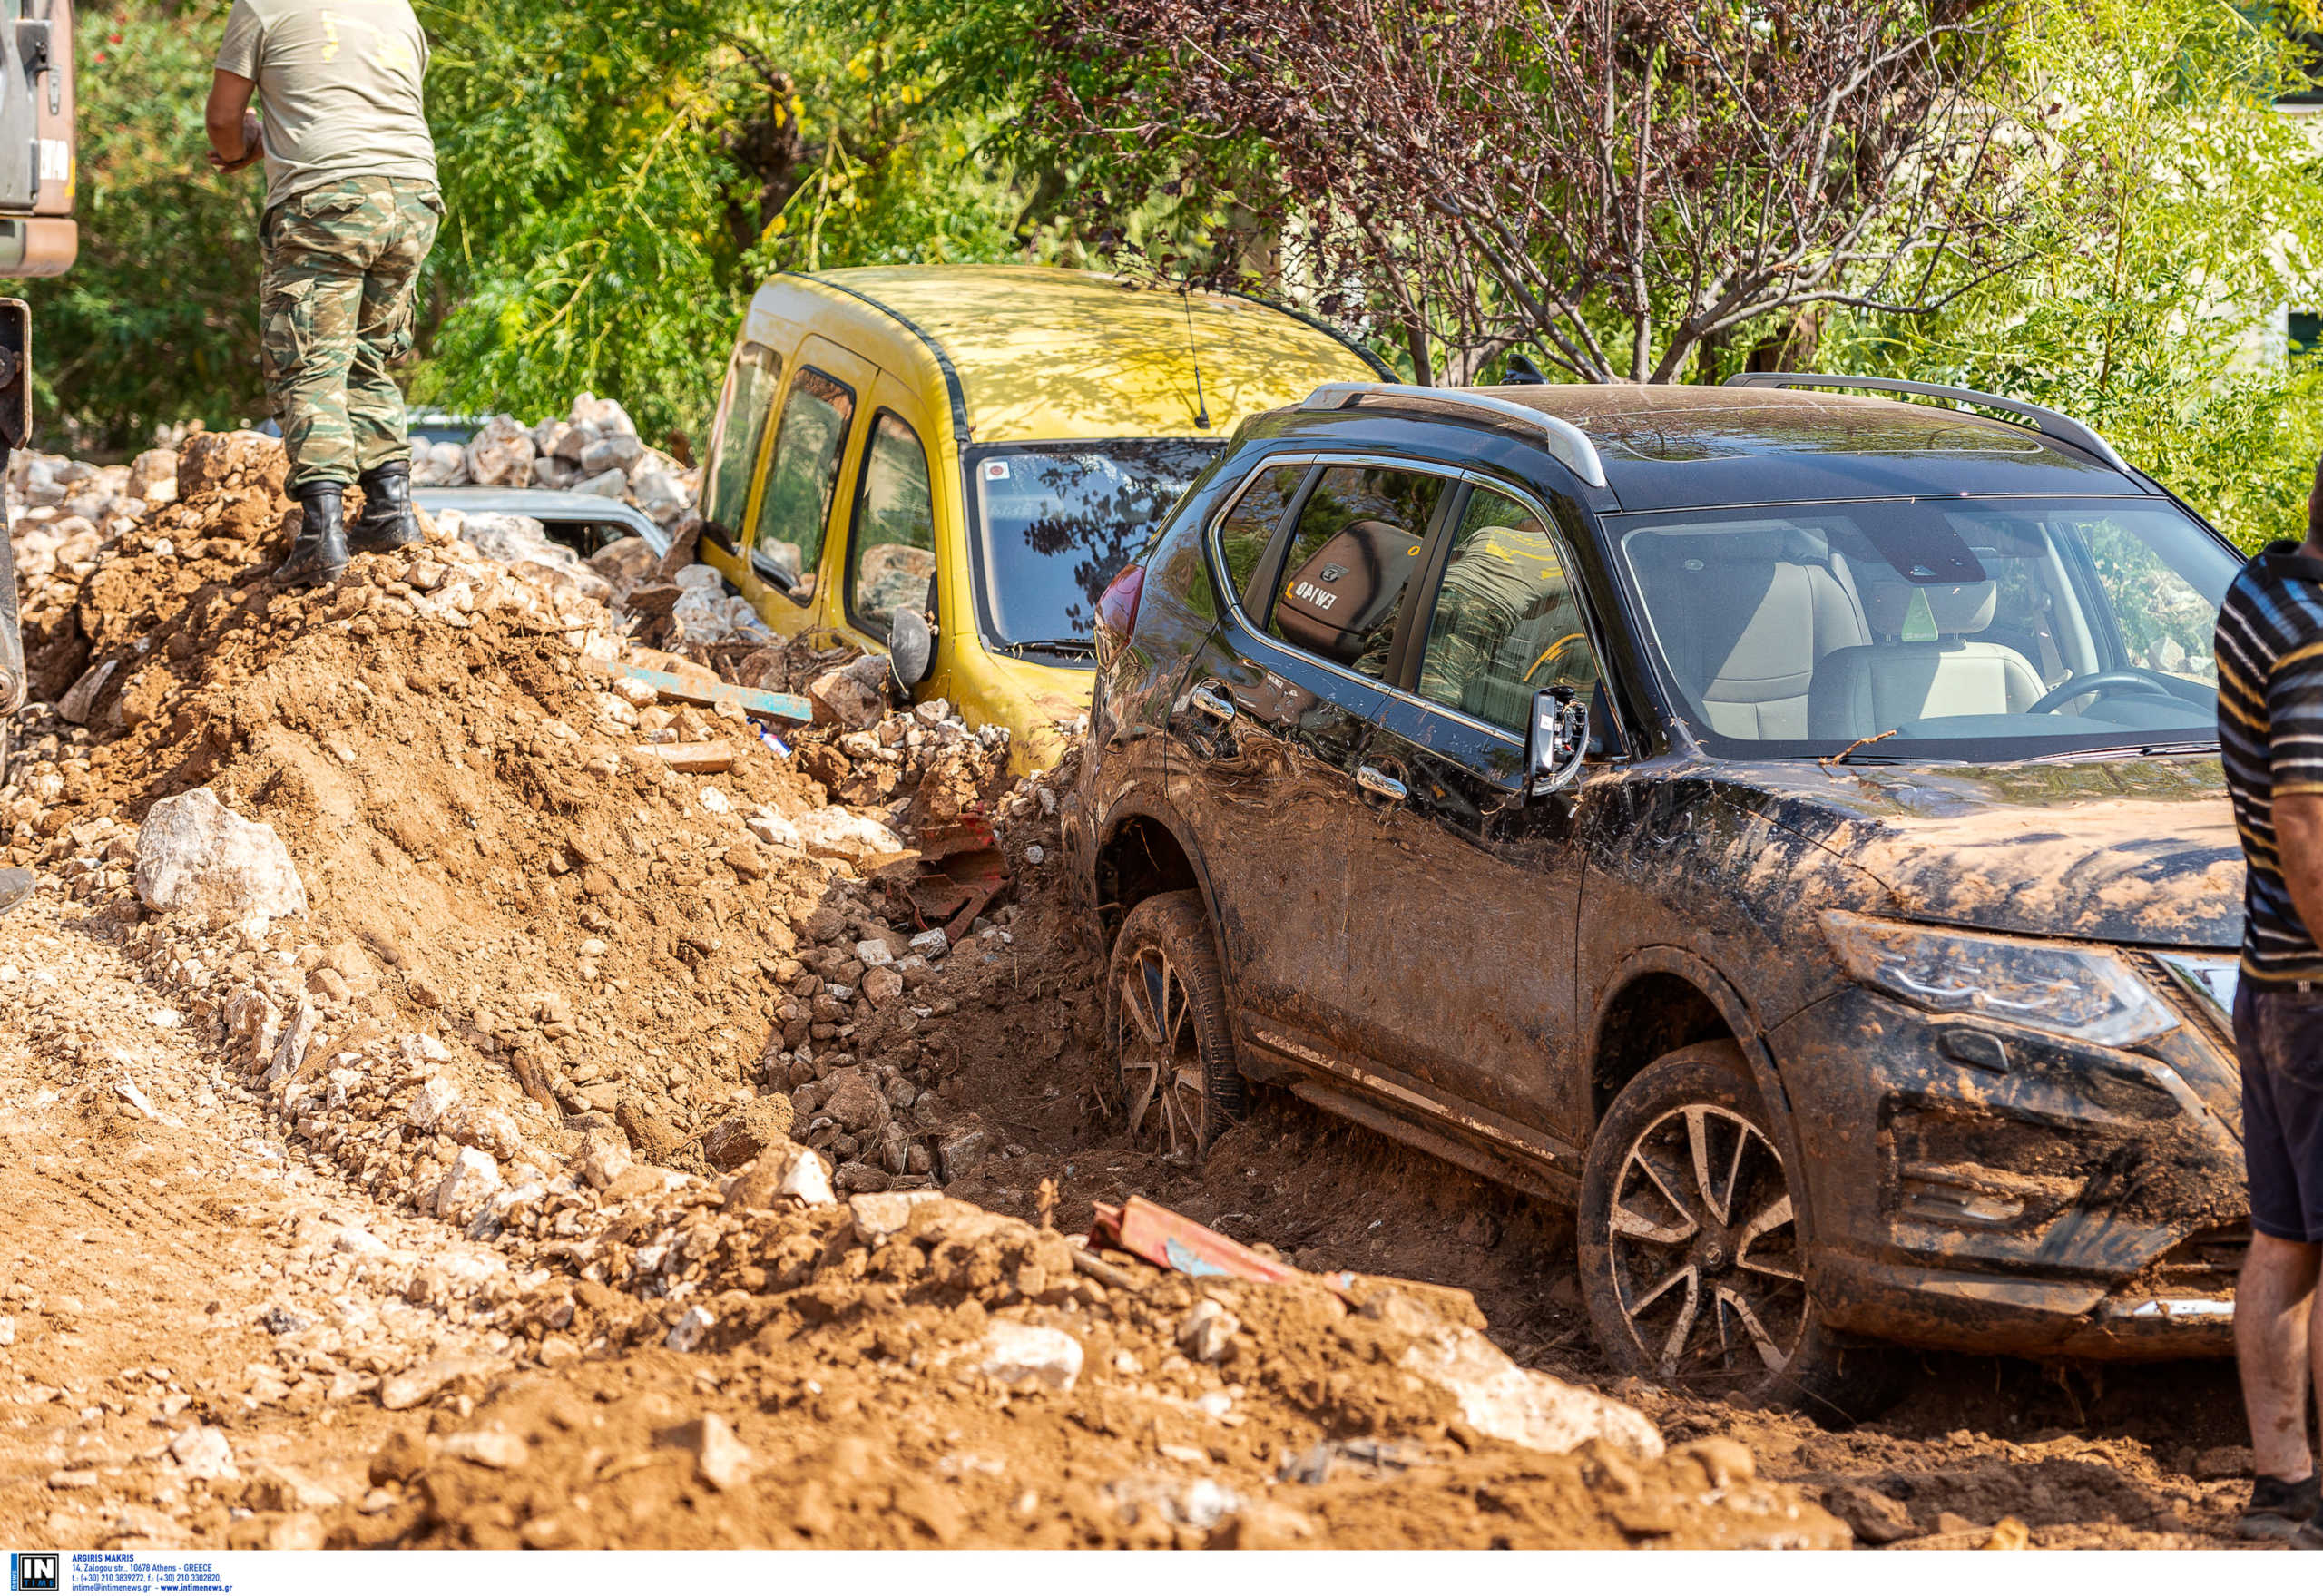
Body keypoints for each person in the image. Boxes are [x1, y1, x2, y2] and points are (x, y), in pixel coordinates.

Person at [204, 0, 441, 585]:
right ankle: (389, 510)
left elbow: (222, 119)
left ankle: (321, 536)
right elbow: (366, 102)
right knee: (365, 356)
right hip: (413, 196)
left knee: (309, 365)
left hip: (327, 198)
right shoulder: (397, 10)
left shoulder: (261, 7)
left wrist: (244, 148)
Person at [2216, 456, 2323, 1543]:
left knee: (2287, 1236)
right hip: (2315, 987)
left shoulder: (2262, 592)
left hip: (2271, 976)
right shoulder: (2316, 649)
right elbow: (2306, 828)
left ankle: (2286, 1483)